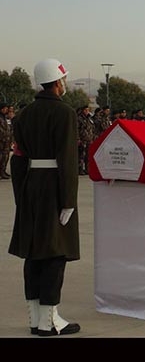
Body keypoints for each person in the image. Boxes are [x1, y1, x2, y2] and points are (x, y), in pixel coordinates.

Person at [8, 58, 81, 336]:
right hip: (53, 187)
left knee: (35, 254)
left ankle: (36, 317)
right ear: (58, 82)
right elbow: (68, 160)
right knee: (54, 253)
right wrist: (69, 201)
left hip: (31, 186)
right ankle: (49, 321)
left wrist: (21, 195)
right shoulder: (64, 113)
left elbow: (17, 159)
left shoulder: (24, 114)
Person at [77, 105, 95, 175]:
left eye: (88, 110)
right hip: (82, 140)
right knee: (81, 155)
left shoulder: (89, 118)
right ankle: (80, 169)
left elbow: (92, 128)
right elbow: (77, 129)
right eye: (85, 110)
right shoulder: (79, 118)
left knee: (88, 156)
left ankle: (87, 169)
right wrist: (78, 139)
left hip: (89, 139)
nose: (87, 112)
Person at [0, 102, 11, 179]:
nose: (6, 110)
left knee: (5, 157)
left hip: (6, 141)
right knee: (1, 156)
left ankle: (2, 171)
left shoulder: (5, 117)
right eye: (4, 108)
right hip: (1, 141)